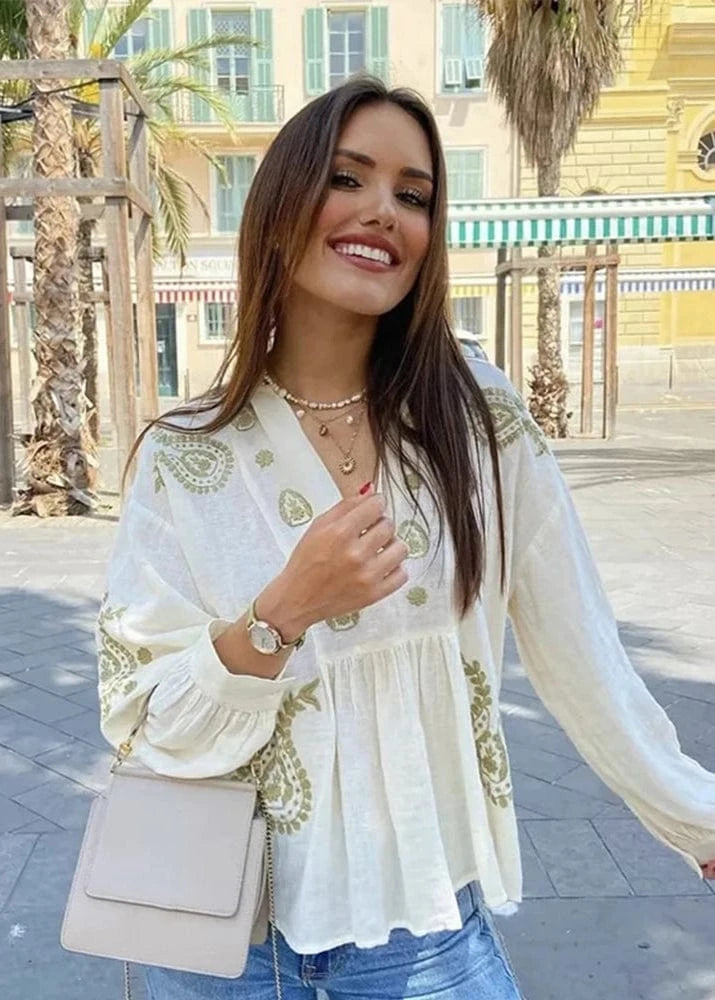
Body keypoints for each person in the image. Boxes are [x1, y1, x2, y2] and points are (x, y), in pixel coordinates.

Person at [97, 77, 715, 1000]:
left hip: (421, 943)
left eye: (413, 194)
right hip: (217, 941)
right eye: (348, 179)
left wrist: (694, 816)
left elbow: (579, 648)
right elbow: (144, 722)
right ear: (278, 210)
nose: (382, 210)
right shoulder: (188, 457)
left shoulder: (474, 417)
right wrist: (281, 613)